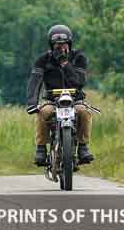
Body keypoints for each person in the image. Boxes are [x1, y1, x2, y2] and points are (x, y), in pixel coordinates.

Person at [26, 24, 94, 166]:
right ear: (51, 45)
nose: (60, 47)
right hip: (52, 100)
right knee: (43, 112)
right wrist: (32, 102)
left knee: (84, 112)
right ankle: (41, 149)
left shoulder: (79, 57)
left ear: (69, 43)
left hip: (75, 99)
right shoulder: (43, 60)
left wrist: (65, 63)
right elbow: (34, 82)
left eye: (63, 44)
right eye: (57, 44)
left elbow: (78, 82)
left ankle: (83, 147)